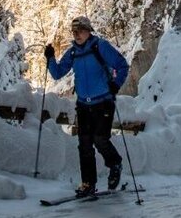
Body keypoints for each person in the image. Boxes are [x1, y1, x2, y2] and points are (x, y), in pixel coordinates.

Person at [45, 16, 129, 197]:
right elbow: (58, 73)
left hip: (103, 102)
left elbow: (122, 65)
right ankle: (88, 183)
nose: (77, 35)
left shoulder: (100, 46)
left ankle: (115, 164)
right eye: (74, 32)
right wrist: (50, 57)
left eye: (80, 30)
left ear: (88, 30)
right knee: (84, 145)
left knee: (100, 139)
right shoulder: (73, 52)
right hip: (83, 105)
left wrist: (115, 84)